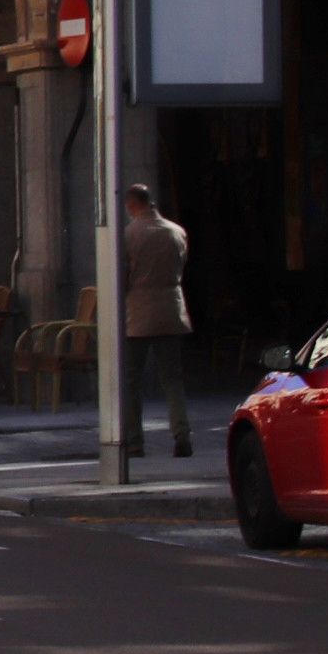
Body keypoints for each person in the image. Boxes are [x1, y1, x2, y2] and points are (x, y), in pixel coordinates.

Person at [119, 182, 193, 459]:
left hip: (138, 313)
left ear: (131, 204)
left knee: (130, 379)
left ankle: (134, 441)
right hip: (171, 309)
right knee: (173, 379)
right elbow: (181, 266)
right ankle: (181, 434)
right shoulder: (177, 232)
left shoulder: (130, 234)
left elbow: (124, 275)